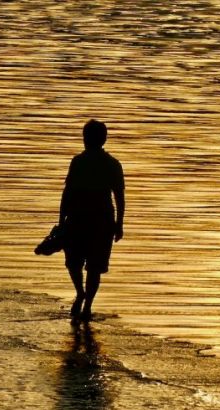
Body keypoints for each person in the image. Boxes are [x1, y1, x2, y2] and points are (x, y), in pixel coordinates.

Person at [59, 119, 124, 323]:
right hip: (90, 218)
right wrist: (61, 221)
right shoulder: (81, 161)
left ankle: (85, 303)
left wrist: (119, 224)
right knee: (80, 264)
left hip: (96, 218)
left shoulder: (108, 164)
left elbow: (118, 195)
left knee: (87, 265)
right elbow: (68, 192)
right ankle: (82, 296)